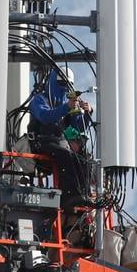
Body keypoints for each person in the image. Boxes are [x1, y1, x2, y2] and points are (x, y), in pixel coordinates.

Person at [27, 68, 92, 211]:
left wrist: (85, 114)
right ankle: (68, 196)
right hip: (42, 142)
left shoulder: (67, 104)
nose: (64, 88)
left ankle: (84, 194)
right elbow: (45, 116)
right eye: (61, 84)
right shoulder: (39, 99)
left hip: (60, 143)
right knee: (67, 156)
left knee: (83, 159)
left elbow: (78, 127)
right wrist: (66, 107)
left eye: (67, 85)